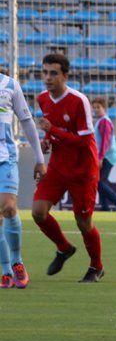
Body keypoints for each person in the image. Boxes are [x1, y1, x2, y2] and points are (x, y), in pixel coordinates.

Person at [32, 53, 105, 283]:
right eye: (45, 72)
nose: (48, 78)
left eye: (53, 73)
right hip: (58, 166)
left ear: (65, 75)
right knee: (38, 212)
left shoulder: (78, 100)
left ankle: (96, 267)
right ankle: (64, 247)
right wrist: (45, 142)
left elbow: (84, 141)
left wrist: (52, 130)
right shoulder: (42, 99)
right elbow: (50, 131)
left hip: (83, 170)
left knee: (83, 223)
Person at [0, 72, 46, 289]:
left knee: (8, 207)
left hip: (5, 158)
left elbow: (27, 121)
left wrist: (39, 159)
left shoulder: (10, 85)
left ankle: (18, 262)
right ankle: (6, 270)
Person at [92, 97, 116, 212]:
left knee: (99, 182)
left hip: (107, 155)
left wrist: (100, 157)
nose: (96, 110)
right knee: (100, 181)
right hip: (105, 155)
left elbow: (105, 141)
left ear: (104, 108)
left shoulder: (104, 121)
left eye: (98, 107)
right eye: (94, 108)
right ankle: (105, 207)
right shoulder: (100, 121)